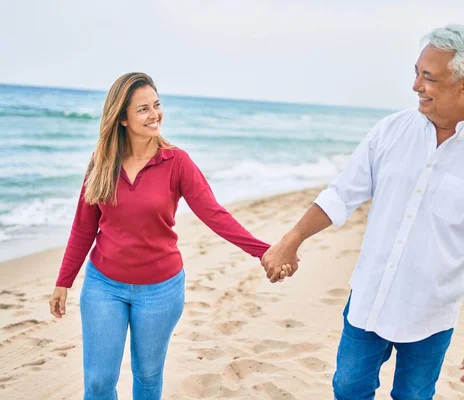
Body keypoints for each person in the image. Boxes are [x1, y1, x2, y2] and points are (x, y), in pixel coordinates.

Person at [262, 24, 464, 399]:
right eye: (417, 72)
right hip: (369, 299)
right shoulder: (390, 132)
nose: (416, 85)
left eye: (429, 77)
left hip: (431, 315)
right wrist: (291, 240)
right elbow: (341, 194)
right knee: (348, 388)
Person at [48, 72, 287, 400]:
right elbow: (84, 227)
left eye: (157, 105)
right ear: (121, 118)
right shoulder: (101, 161)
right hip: (104, 286)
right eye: (143, 109)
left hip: (160, 291)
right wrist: (64, 280)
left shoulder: (177, 162)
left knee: (147, 376)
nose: (155, 114)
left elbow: (214, 215)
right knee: (99, 382)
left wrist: (264, 251)